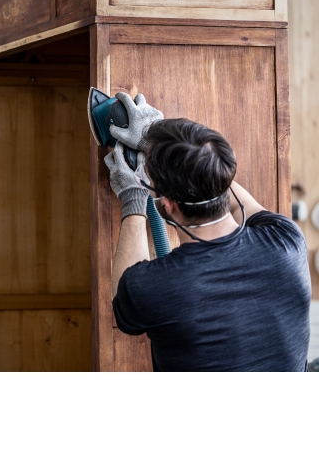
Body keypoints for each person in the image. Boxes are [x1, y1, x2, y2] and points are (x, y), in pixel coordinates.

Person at [105, 93, 311, 372]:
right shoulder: (286, 240)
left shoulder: (154, 286)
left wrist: (132, 196)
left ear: (168, 205)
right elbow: (221, 183)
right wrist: (163, 144)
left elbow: (123, 300)